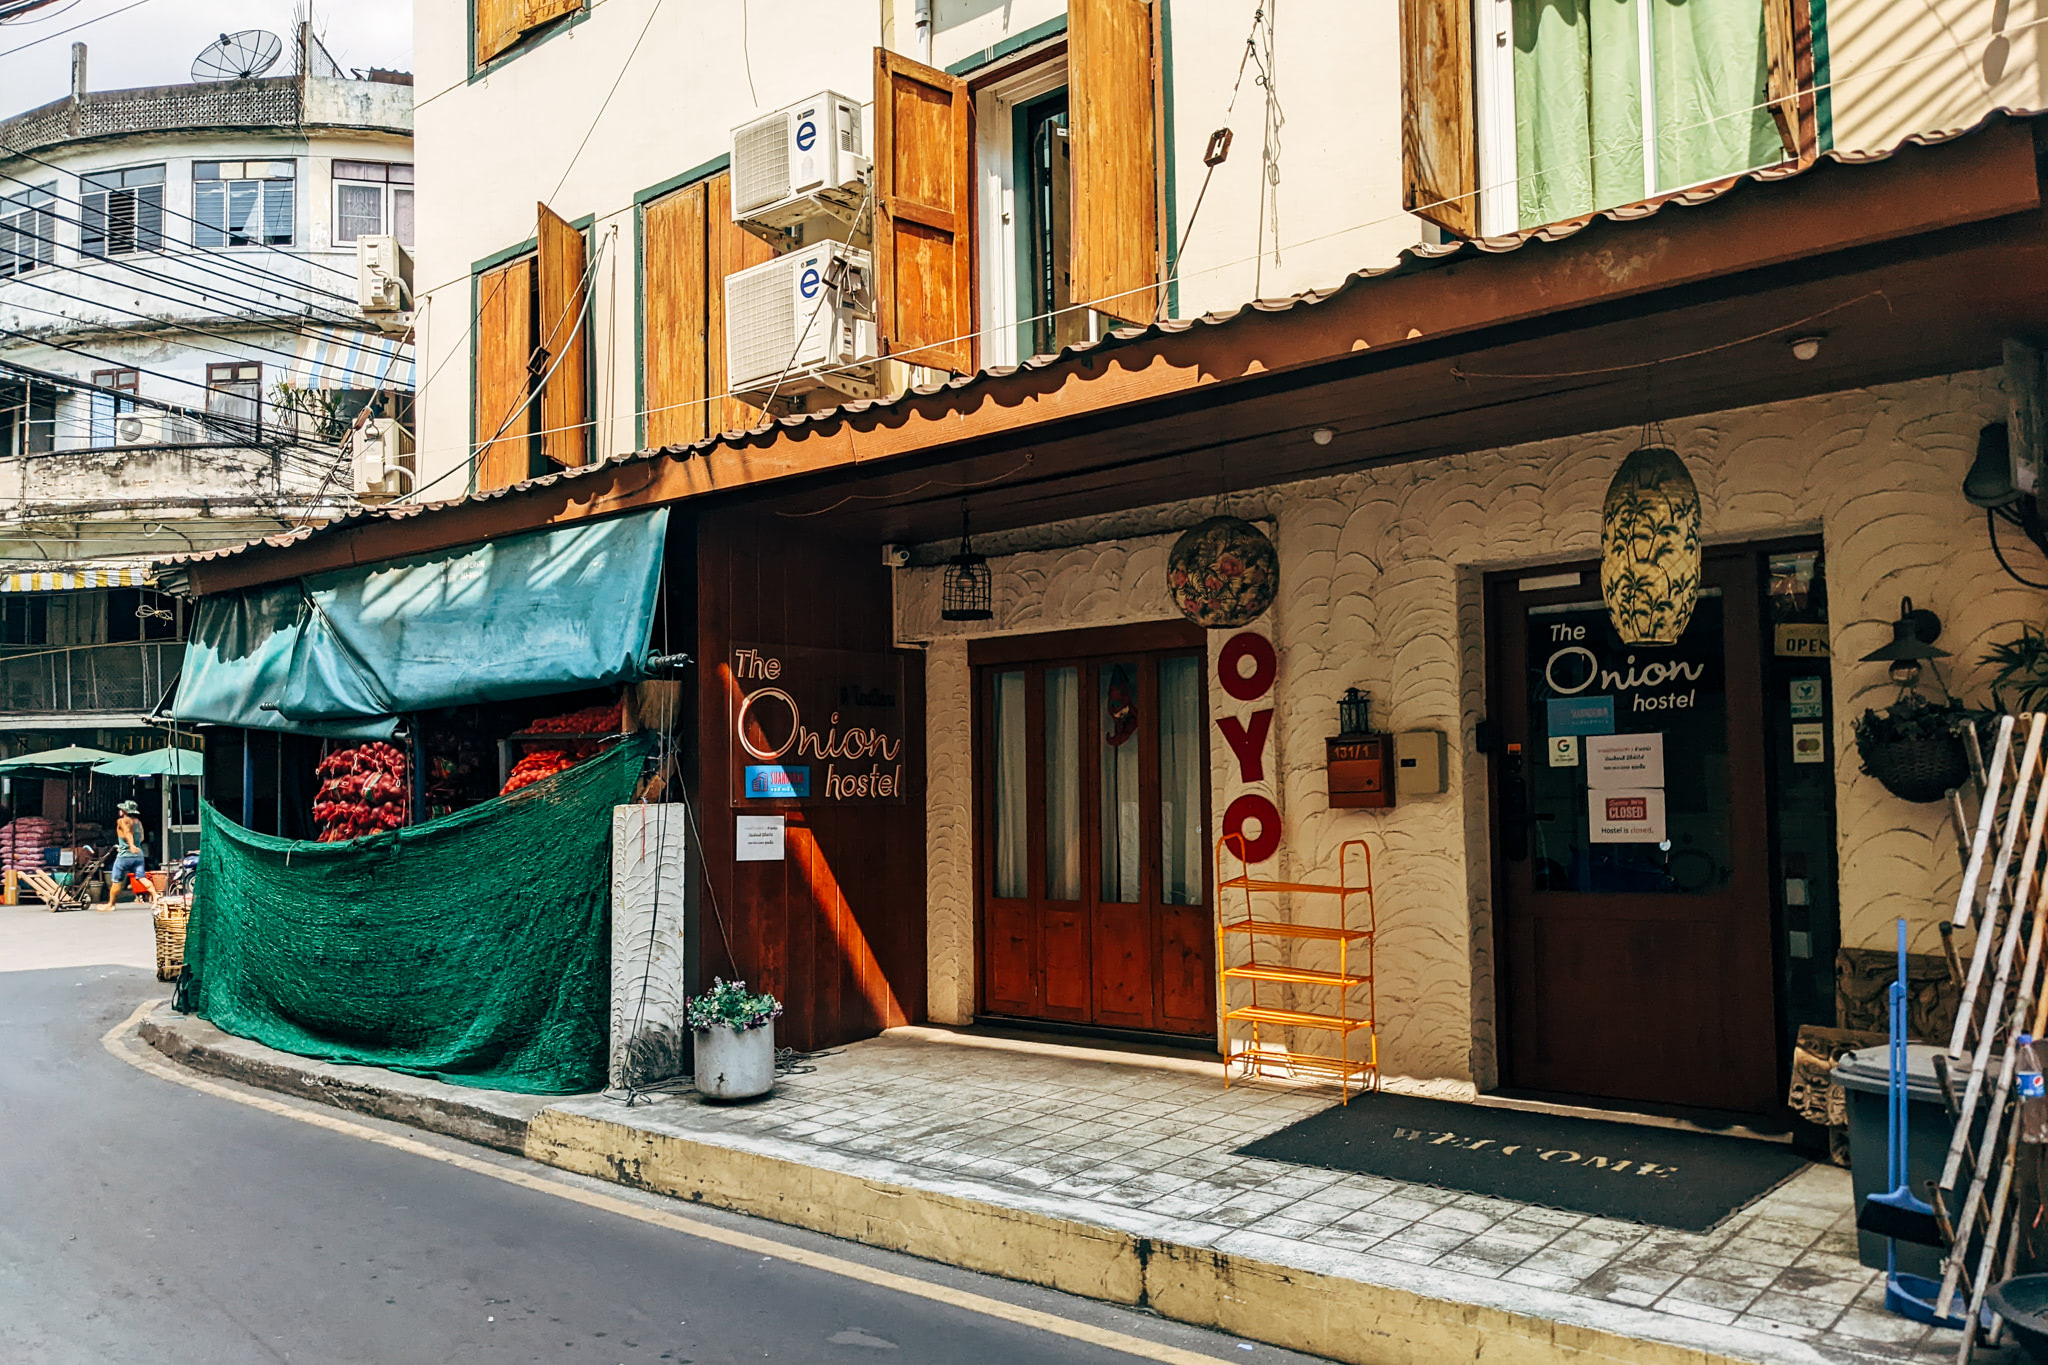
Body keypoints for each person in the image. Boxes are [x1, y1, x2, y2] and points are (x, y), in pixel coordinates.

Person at [104, 800, 146, 911]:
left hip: (125, 855)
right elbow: (142, 837)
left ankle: (111, 904)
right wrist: (135, 845)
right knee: (141, 877)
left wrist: (130, 846)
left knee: (116, 879)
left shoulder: (122, 821)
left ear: (124, 811)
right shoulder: (138, 823)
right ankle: (155, 895)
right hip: (138, 854)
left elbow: (128, 833)